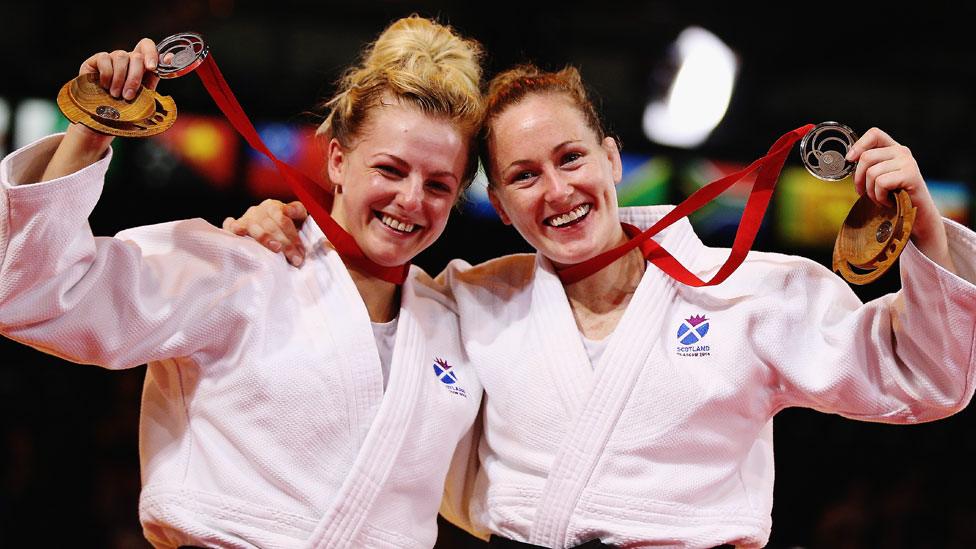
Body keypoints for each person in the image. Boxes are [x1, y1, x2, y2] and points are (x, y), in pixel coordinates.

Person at [227, 65, 976, 548]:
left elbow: (930, 379)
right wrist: (281, 228)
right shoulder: (472, 298)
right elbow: (366, 303)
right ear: (499, 203)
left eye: (571, 158)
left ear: (613, 159)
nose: (556, 191)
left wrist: (926, 225)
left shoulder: (748, 289)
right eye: (523, 174)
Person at [0, 16, 486, 548]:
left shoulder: (457, 325)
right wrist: (91, 128)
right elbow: (33, 295)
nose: (412, 200)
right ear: (338, 160)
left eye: (438, 184)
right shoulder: (240, 265)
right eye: (391, 170)